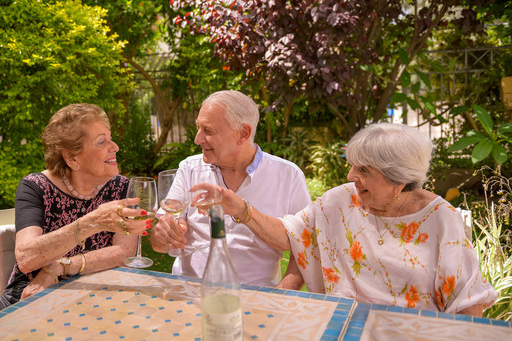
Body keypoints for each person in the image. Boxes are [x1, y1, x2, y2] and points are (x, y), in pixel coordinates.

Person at [211, 122, 496, 315]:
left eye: (363, 170)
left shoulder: (440, 219)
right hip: (342, 329)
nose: (350, 177)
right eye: (352, 166)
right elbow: (289, 235)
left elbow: (469, 302)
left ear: (398, 179)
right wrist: (241, 209)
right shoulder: (341, 200)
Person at [0, 103, 151, 337]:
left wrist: (60, 266)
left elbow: (124, 251)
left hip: (100, 296)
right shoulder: (35, 187)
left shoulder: (123, 187)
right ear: (72, 158)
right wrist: (92, 222)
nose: (114, 147)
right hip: (31, 295)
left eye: (111, 139)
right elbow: (27, 258)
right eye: (101, 141)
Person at [150, 90, 311, 287]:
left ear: (243, 133)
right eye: (198, 128)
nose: (197, 139)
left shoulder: (288, 176)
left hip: (256, 295)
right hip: (189, 291)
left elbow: (305, 246)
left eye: (208, 131)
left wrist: (280, 296)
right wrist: (163, 233)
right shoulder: (189, 169)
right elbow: (158, 244)